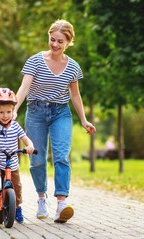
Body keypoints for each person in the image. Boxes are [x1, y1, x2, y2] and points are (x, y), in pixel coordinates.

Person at [13, 19, 96, 223]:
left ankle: (61, 204)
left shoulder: (73, 67)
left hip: (61, 113)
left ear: (68, 42)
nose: (55, 45)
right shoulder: (35, 61)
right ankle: (42, 198)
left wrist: (84, 120)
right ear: (48, 37)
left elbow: (75, 95)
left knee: (61, 156)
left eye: (60, 41)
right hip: (36, 112)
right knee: (37, 159)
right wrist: (14, 109)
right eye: (52, 40)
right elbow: (24, 88)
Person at [0, 88, 35, 225]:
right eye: (2, 112)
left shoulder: (16, 126)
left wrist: (30, 146)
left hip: (12, 163)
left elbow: (25, 139)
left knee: (17, 186)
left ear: (13, 111)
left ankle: (17, 207)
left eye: (8, 112)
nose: (5, 115)